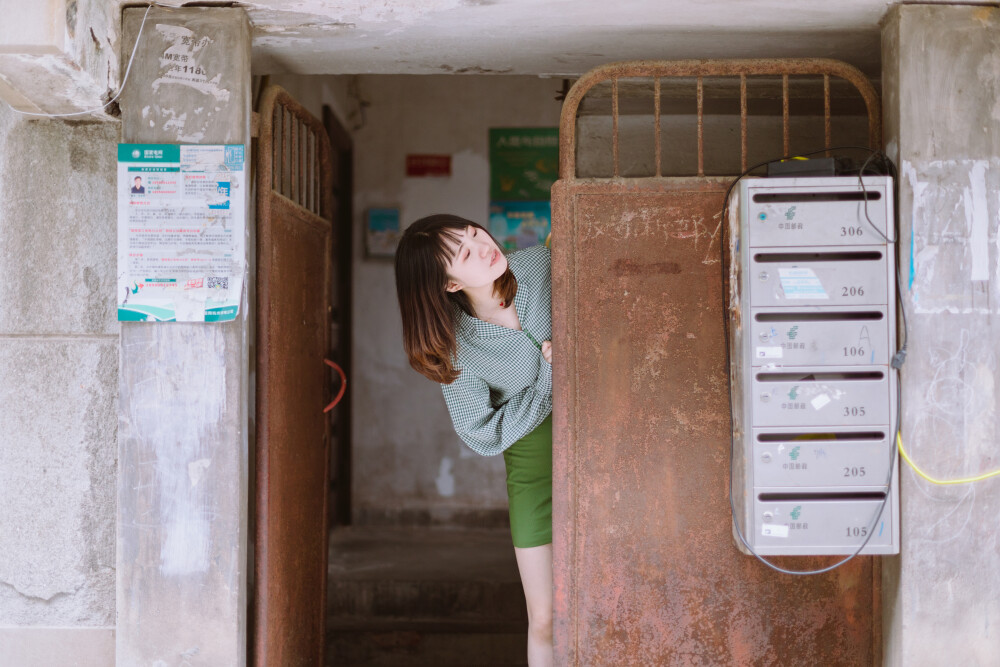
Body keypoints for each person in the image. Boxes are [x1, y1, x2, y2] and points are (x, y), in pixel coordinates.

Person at [395, 214, 553, 666]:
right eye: (465, 252)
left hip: (600, 439)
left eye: (473, 233)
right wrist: (548, 378)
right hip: (532, 470)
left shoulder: (543, 265)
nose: (483, 245)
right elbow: (481, 434)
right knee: (545, 616)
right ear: (447, 285)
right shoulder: (455, 346)